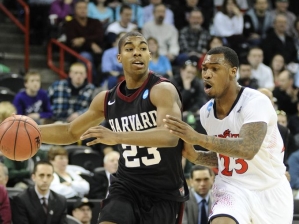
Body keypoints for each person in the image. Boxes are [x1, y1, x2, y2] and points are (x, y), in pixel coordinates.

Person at [38, 31, 188, 224]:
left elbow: (169, 136)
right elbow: (70, 131)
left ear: (150, 56)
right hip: (126, 185)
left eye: (143, 49)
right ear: (119, 58)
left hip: (163, 190)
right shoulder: (107, 99)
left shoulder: (162, 90)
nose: (137, 53)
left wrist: (117, 136)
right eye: (130, 49)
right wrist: (33, 132)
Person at [163, 46, 293, 223]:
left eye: (215, 69)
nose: (207, 74)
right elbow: (226, 159)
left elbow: (247, 149)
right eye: (205, 69)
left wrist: (198, 138)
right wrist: (196, 156)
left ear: (233, 72)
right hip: (232, 188)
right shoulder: (206, 113)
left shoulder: (256, 102)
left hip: (270, 191)